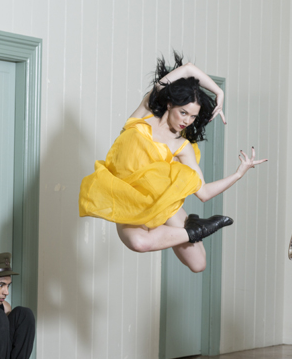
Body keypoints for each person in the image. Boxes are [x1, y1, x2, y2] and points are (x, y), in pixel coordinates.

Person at [79, 53, 266, 273]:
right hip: (128, 199)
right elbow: (188, 68)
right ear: (169, 104)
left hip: (161, 201)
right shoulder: (145, 112)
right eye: (183, 112)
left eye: (193, 117)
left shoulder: (181, 145)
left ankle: (194, 229)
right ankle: (197, 230)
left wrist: (238, 174)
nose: (186, 121)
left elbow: (203, 192)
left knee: (198, 264)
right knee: (139, 242)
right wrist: (219, 91)